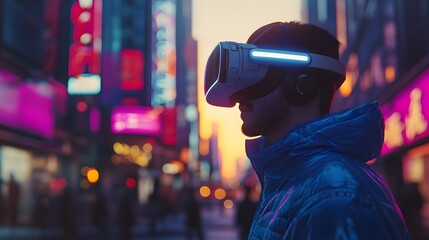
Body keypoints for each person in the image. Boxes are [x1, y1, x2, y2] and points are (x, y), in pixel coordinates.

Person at [204, 21, 410, 239]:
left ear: (302, 84)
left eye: (257, 76)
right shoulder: (292, 183)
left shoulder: (334, 196)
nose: (238, 96)